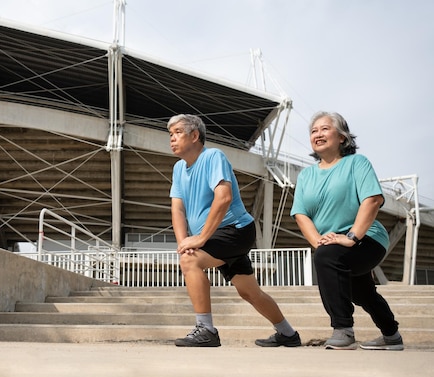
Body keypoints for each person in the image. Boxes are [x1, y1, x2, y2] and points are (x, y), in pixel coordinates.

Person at [167, 114, 301, 348]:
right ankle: (288, 334)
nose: (172, 138)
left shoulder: (213, 156)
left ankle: (206, 329)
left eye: (178, 132)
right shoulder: (179, 168)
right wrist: (183, 242)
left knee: (191, 262)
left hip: (235, 230)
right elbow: (177, 208)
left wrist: (200, 238)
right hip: (219, 235)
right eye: (170, 134)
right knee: (249, 292)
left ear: (195, 135)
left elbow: (224, 197)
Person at [291, 111, 403, 350]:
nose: (317, 134)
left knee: (327, 258)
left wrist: (351, 237)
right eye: (313, 131)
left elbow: (372, 200)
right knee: (362, 292)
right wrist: (319, 241)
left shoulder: (357, 163)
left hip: (367, 238)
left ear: (342, 137)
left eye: (324, 129)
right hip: (332, 243)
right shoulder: (306, 175)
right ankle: (392, 336)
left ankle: (343, 329)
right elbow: (301, 214)